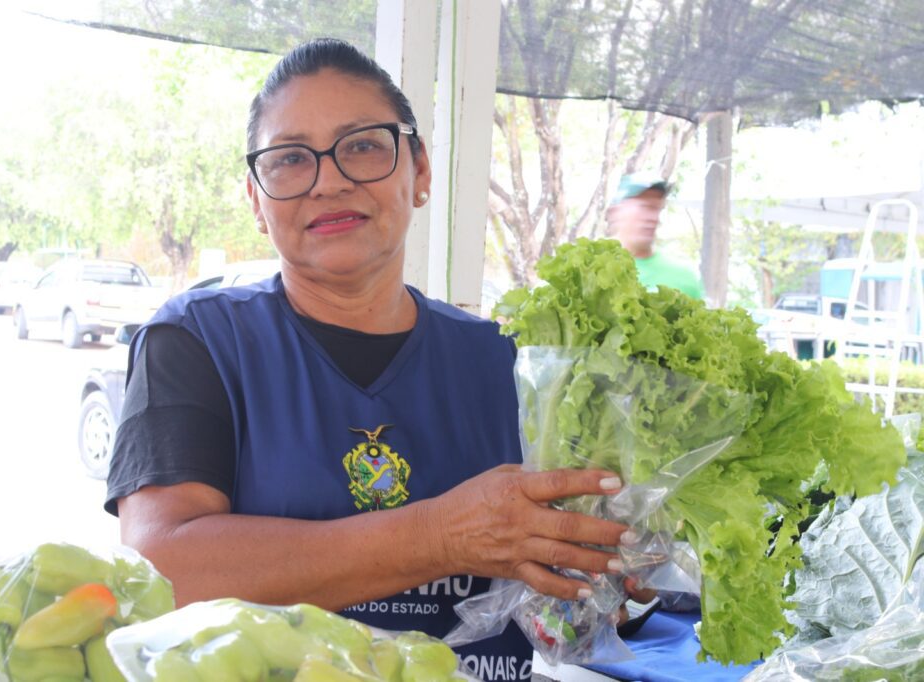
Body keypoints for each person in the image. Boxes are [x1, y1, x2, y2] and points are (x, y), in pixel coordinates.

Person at [105, 38, 646, 679]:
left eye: (362, 145)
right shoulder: (197, 342)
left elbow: (565, 591)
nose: (329, 180)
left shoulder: (509, 364)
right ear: (257, 200)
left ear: (418, 170)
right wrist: (441, 535)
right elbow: (164, 571)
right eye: (289, 159)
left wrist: (608, 562)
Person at [607, 173, 704, 299]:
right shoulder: (587, 268)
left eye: (657, 209)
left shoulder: (684, 277)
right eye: (644, 207)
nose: (653, 218)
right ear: (615, 212)